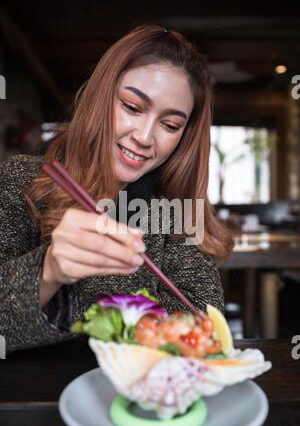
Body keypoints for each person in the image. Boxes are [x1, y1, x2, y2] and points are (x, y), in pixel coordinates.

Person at [0, 24, 233, 353]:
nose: (144, 136)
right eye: (132, 107)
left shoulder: (176, 208)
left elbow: (203, 328)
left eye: (170, 125)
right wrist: (48, 270)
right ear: (100, 96)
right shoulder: (20, 179)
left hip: (140, 399)